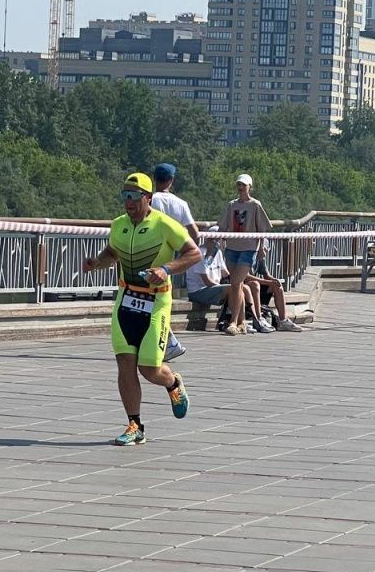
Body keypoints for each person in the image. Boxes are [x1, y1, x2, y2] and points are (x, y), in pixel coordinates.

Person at [82, 172, 202, 446]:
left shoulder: (165, 225)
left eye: (134, 197)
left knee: (149, 369)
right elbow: (112, 253)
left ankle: (172, 383)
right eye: (125, 196)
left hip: (156, 303)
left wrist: (165, 269)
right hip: (125, 301)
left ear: (147, 198)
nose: (129, 202)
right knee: (125, 364)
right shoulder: (119, 225)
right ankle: (134, 425)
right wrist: (96, 263)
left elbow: (194, 253)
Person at [148, 162, 201, 362]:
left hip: (148, 254)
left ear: (154, 179)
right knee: (160, 300)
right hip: (170, 260)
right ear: (171, 180)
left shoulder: (149, 199)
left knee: (149, 301)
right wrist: (183, 255)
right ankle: (166, 342)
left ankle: (168, 343)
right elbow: (195, 233)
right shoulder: (180, 204)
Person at [217, 173, 273, 336]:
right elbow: (222, 225)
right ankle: (241, 322)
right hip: (232, 247)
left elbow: (262, 228)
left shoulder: (255, 205)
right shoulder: (231, 205)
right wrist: (221, 239)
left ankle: (233, 321)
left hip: (248, 249)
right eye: (239, 185)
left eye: (244, 185)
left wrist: (261, 246)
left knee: (235, 282)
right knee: (238, 285)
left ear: (250, 187)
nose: (241, 188)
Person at [186, 225, 263, 335]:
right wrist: (226, 286)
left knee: (243, 287)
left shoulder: (218, 253)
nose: (222, 242)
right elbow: (206, 282)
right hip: (198, 291)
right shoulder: (200, 254)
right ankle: (234, 322)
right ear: (212, 239)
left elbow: (226, 274)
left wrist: (242, 275)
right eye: (221, 239)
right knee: (232, 288)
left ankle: (245, 322)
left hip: (212, 288)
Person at [245, 258, 304, 332]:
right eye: (263, 248)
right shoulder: (247, 254)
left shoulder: (259, 259)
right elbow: (246, 277)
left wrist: (274, 280)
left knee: (277, 287)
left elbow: (267, 275)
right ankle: (258, 318)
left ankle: (283, 320)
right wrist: (268, 282)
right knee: (255, 284)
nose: (265, 250)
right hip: (244, 288)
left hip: (258, 288)